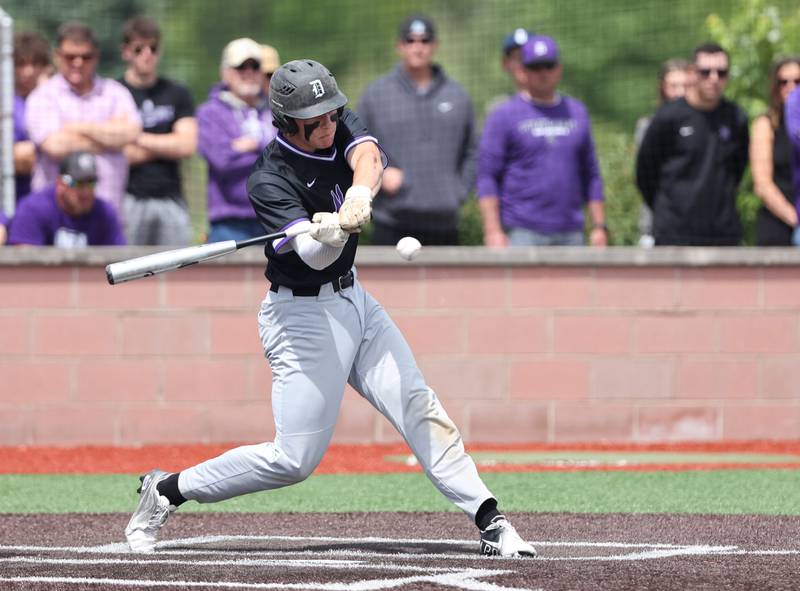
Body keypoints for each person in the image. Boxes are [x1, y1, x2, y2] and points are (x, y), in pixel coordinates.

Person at [124, 59, 535, 559]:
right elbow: (315, 256)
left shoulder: (337, 123)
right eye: (314, 120)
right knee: (292, 460)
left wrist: (358, 196)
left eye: (331, 114)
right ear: (286, 122)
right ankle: (167, 490)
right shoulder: (268, 180)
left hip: (354, 298)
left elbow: (368, 156)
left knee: (416, 404)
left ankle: (490, 519)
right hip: (301, 320)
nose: (327, 125)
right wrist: (329, 232)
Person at [476, 35, 608, 247]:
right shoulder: (503, 115)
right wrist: (492, 230)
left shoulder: (576, 111)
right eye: (536, 67)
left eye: (549, 65)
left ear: (559, 69)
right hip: (522, 230)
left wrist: (599, 226)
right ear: (523, 71)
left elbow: (591, 173)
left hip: (571, 230)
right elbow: (487, 176)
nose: (543, 73)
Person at [357, 14, 476, 245]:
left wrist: (457, 191)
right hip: (392, 222)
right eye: (410, 40)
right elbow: (356, 144)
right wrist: (380, 169)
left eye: (425, 40)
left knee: (446, 283)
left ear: (435, 45)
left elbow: (473, 151)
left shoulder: (457, 95)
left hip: (445, 223)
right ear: (399, 46)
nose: (418, 47)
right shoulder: (376, 94)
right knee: (387, 284)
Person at [636, 43, 749, 246]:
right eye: (705, 72)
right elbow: (645, 172)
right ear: (692, 73)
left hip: (722, 234)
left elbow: (737, 169)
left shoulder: (735, 117)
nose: (713, 79)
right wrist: (669, 209)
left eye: (721, 72)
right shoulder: (668, 117)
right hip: (675, 233)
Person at [25, 22, 142, 215]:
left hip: (107, 216)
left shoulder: (116, 93)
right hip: (54, 217)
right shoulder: (42, 96)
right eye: (70, 56)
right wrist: (109, 137)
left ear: (96, 57)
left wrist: (75, 128)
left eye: (85, 57)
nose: (78, 62)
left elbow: (131, 133)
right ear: (57, 56)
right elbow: (55, 146)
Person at [118, 16, 197, 246]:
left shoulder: (177, 92)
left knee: (177, 271)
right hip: (129, 198)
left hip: (171, 199)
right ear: (126, 51)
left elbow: (186, 145)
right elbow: (121, 154)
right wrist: (166, 144)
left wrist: (136, 137)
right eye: (139, 48)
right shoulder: (114, 92)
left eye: (153, 48)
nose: (147, 54)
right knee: (127, 270)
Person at [197, 37, 276, 242]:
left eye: (255, 66)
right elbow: (222, 160)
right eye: (241, 66)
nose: (248, 72)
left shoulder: (276, 111)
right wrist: (268, 148)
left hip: (274, 218)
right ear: (226, 72)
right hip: (229, 224)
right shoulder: (210, 113)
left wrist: (253, 146)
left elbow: (289, 158)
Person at [7, 151, 125, 247]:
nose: (85, 192)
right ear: (60, 184)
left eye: (91, 183)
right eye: (77, 183)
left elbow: (118, 259)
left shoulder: (105, 213)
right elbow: (25, 265)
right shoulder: (34, 208)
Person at [3, 31, 51, 245]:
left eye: (36, 64)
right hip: (8, 196)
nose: (28, 71)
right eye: (21, 64)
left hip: (45, 194)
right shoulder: (6, 104)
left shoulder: (54, 99)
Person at [634, 59, 689, 247]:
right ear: (663, 88)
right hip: (656, 224)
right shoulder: (648, 126)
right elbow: (645, 176)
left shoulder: (705, 126)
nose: (680, 92)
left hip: (695, 226)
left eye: (685, 85)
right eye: (674, 86)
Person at [749, 57, 800, 246]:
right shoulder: (766, 124)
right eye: (783, 82)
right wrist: (795, 219)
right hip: (779, 226)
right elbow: (762, 185)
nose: (791, 87)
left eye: (797, 81)